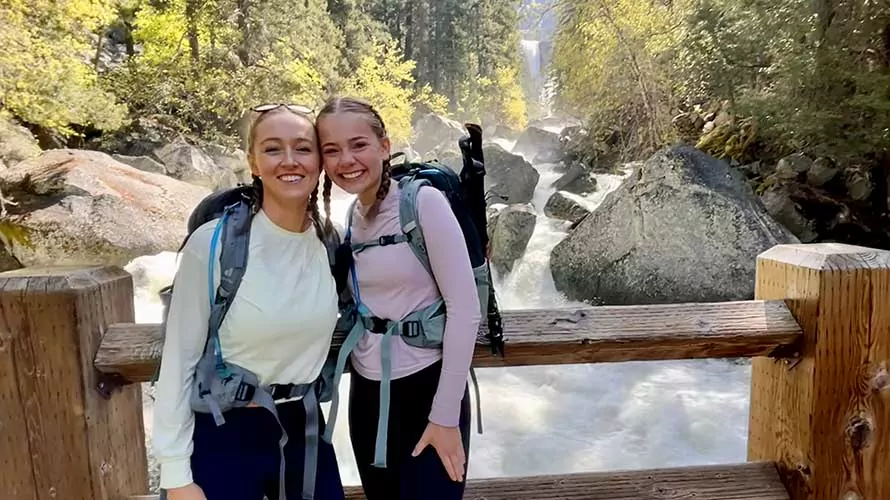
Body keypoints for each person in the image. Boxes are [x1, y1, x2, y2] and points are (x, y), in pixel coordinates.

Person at [152, 103, 345, 500]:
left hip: (304, 428)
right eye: (273, 149)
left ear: (320, 160)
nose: (289, 161)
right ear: (253, 162)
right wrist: (175, 474)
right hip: (226, 432)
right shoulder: (213, 244)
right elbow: (178, 362)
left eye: (303, 148)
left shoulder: (329, 240)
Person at [316, 96, 481, 500]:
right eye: (331, 150)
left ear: (384, 146)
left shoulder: (422, 202)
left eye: (359, 145)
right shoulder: (353, 217)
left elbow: (466, 311)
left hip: (429, 391)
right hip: (368, 400)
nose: (346, 160)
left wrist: (444, 417)